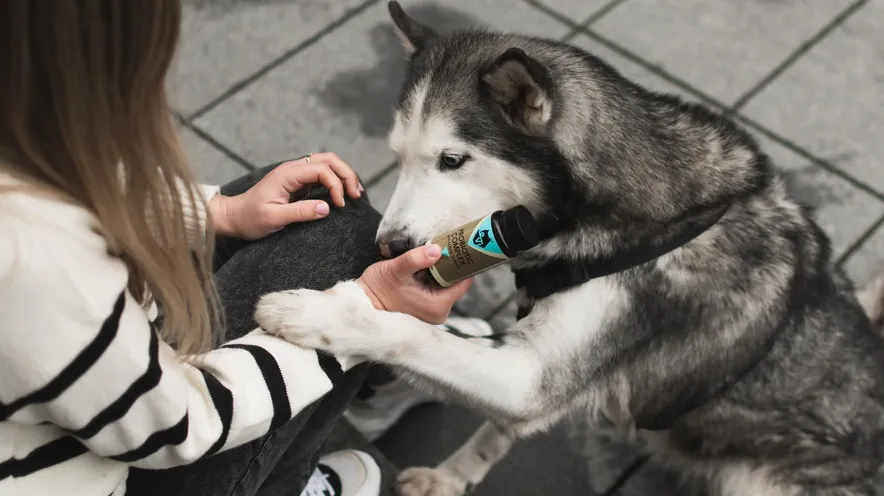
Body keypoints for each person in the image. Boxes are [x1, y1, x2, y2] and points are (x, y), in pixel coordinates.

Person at [0, 2, 497, 496]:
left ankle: (372, 375)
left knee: (314, 204)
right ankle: (282, 481)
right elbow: (178, 426)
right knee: (344, 247)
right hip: (120, 462)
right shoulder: (34, 266)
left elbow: (70, 189)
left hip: (76, 389)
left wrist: (221, 212)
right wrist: (365, 313)